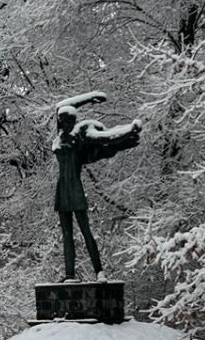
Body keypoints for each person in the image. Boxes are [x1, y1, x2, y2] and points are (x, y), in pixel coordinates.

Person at [51, 93, 141, 282]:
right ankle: (69, 274)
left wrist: (129, 131)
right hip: (62, 192)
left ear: (72, 121)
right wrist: (89, 97)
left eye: (65, 119)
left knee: (85, 232)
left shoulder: (80, 136)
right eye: (61, 119)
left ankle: (99, 271)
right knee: (67, 234)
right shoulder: (59, 138)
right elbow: (61, 104)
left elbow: (105, 137)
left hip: (75, 190)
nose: (62, 122)